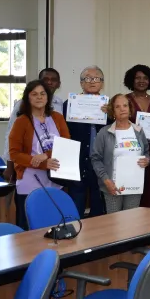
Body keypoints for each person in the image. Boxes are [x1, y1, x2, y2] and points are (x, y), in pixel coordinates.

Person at [8, 79, 71, 229]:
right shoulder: (21, 121)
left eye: (43, 94)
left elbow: (66, 144)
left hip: (56, 179)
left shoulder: (57, 118)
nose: (39, 97)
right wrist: (42, 163)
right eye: (34, 94)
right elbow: (14, 154)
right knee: (30, 226)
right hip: (30, 180)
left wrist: (46, 155)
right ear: (28, 98)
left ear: (48, 97)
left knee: (54, 223)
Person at [90, 94, 150, 213]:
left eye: (125, 105)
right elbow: (95, 159)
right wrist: (106, 180)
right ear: (113, 111)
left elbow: (146, 152)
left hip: (134, 184)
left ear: (130, 109)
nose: (122, 109)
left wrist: (147, 160)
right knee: (114, 224)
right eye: (117, 107)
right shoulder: (104, 132)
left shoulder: (139, 131)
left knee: (131, 222)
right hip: (112, 186)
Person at [2, 68, 64, 182]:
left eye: (53, 80)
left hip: (54, 167)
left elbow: (64, 140)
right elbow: (10, 137)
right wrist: (9, 166)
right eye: (46, 79)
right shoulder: (22, 106)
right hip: (28, 166)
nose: (50, 82)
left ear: (59, 84)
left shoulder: (60, 104)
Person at [63, 66, 108, 218]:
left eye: (96, 78)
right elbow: (64, 135)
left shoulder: (109, 108)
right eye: (87, 78)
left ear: (102, 83)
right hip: (78, 162)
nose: (92, 82)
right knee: (76, 207)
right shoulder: (69, 104)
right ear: (81, 83)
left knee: (99, 208)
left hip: (101, 163)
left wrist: (111, 114)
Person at [123, 64, 150, 208]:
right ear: (131, 80)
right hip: (129, 151)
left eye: (145, 78)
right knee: (130, 190)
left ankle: (147, 226)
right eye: (137, 78)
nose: (141, 81)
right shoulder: (124, 100)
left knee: (149, 190)